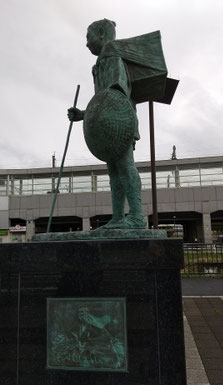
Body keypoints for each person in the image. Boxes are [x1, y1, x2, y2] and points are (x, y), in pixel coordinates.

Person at [68, 19, 146, 229]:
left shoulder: (112, 56)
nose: (86, 43)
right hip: (108, 123)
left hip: (120, 123)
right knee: (114, 171)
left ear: (101, 33)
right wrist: (84, 115)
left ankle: (137, 216)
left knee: (125, 165)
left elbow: (114, 95)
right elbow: (103, 102)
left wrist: (93, 113)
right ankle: (118, 218)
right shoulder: (101, 63)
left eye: (88, 37)